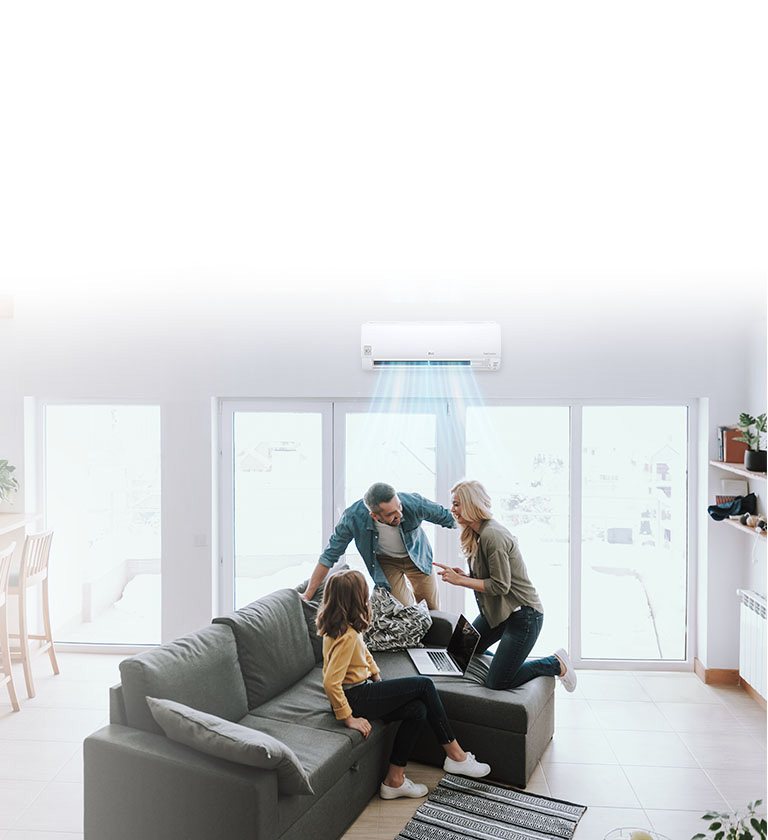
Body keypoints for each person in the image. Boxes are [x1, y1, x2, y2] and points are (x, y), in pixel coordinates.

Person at [317, 568, 491, 799]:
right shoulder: (346, 635)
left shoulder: (345, 627)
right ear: (356, 600)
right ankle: (455, 755)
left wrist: (377, 676)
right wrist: (348, 717)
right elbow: (330, 681)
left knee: (417, 710)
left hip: (363, 690)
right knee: (424, 685)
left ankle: (394, 781)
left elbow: (364, 653)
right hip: (356, 697)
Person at [434, 479, 577, 693]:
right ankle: (506, 663)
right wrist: (464, 575)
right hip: (498, 611)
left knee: (496, 683)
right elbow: (489, 576)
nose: (452, 509)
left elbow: (500, 585)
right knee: (459, 651)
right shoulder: (475, 533)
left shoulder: (493, 535)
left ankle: (555, 663)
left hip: (523, 615)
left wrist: (461, 581)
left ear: (472, 504)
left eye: (457, 504)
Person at [301, 482, 455, 610]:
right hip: (386, 562)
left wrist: (476, 528)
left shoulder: (413, 503)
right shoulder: (353, 518)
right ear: (374, 515)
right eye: (391, 514)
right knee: (403, 611)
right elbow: (329, 556)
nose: (399, 515)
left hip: (417, 558)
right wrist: (307, 595)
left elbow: (449, 518)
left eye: (399, 507)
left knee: (432, 610)